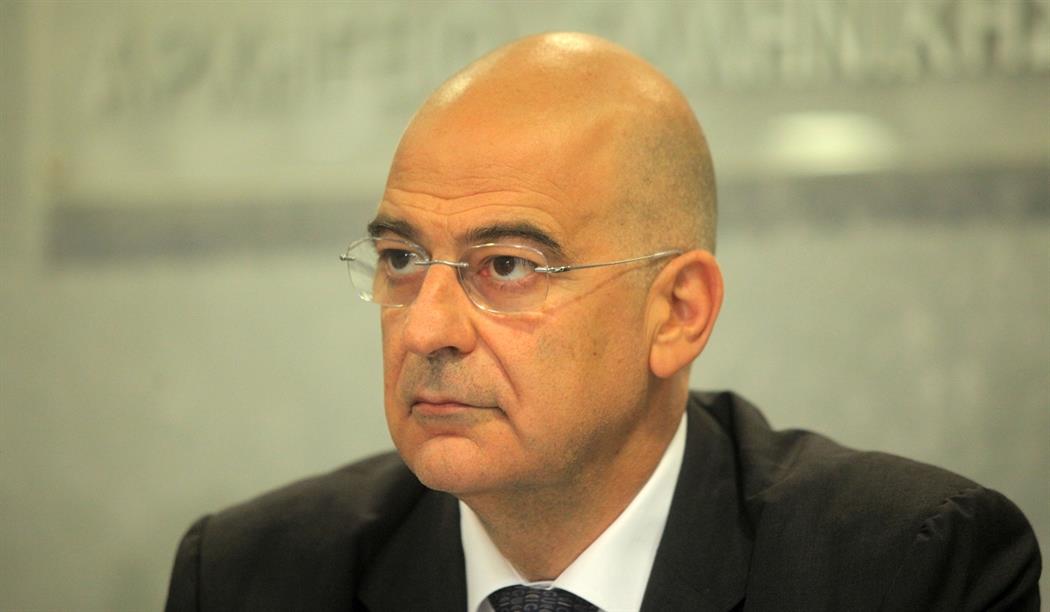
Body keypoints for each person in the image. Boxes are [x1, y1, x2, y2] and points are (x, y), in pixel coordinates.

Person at [164, 32, 1040, 612]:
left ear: (678, 313)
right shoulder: (251, 579)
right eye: (401, 259)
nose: (426, 330)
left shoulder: (907, 571)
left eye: (506, 267)